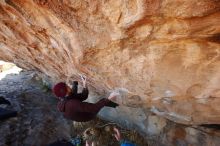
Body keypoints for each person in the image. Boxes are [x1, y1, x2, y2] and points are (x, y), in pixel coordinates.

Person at [53, 75, 119, 122]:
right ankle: (117, 105)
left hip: (75, 111)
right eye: (67, 86)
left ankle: (110, 102)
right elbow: (94, 108)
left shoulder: (64, 98)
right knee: (103, 100)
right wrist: (109, 98)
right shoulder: (73, 104)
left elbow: (83, 96)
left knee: (74, 91)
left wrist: (85, 85)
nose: (68, 85)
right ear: (66, 91)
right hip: (88, 116)